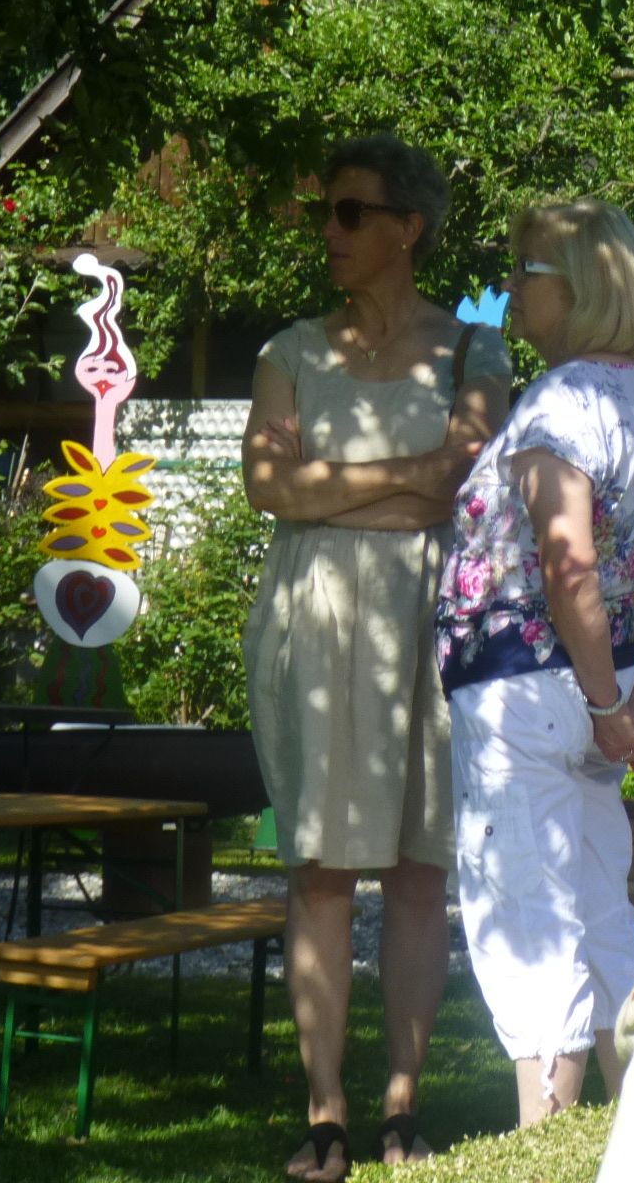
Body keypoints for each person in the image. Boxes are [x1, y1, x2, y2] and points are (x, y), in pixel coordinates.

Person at [243, 134, 511, 1181]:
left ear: (409, 228)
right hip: (313, 619)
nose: (330, 230)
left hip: (426, 618)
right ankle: (326, 1112)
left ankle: (403, 1100)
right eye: (327, 210)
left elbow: (465, 480)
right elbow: (270, 488)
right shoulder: (288, 352)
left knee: (415, 868)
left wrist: (331, 486)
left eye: (351, 212)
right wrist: (409, 476)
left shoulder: (473, 352)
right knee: (318, 867)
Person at [435, 198, 634, 1128]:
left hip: (524, 695)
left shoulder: (556, 405)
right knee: (602, 921)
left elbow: (568, 561)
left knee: (530, 933)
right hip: (591, 696)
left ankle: (542, 1149)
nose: (510, 287)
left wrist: (606, 704)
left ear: (579, 286)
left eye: (526, 271)